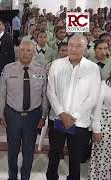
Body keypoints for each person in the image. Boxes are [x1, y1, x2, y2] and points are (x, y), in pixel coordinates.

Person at [46, 34, 101, 180]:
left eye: (78, 46)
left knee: (75, 159)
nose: (73, 49)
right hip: (57, 119)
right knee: (54, 155)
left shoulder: (92, 68)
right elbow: (51, 91)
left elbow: (93, 97)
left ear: (85, 48)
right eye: (71, 45)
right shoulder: (56, 64)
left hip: (79, 122)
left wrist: (74, 116)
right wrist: (62, 113)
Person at [0, 40, 47, 180]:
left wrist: (43, 116)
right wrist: (1, 114)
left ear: (34, 52)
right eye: (22, 50)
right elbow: (1, 93)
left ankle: (25, 176)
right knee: (12, 149)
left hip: (33, 116)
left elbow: (44, 96)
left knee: (29, 150)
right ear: (18, 52)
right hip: (13, 115)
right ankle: (12, 176)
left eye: (28, 50)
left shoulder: (41, 70)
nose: (25, 53)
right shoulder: (8, 69)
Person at [89, 72, 111, 180]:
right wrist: (96, 129)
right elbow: (96, 109)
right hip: (104, 125)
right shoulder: (103, 84)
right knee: (102, 158)